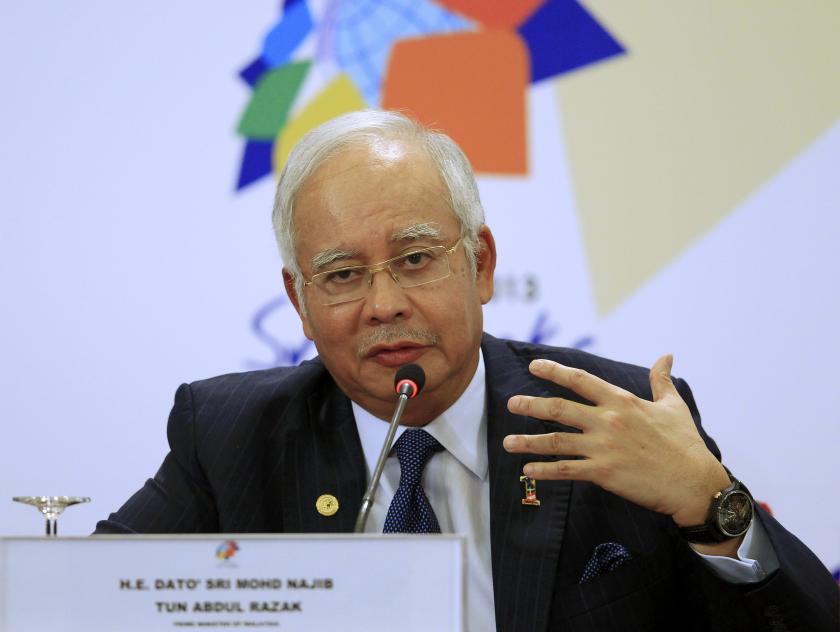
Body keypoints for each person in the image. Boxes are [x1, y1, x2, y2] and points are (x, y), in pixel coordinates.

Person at [96, 110, 838, 630]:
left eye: (415, 259)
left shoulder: (615, 415)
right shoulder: (230, 437)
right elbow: (83, 604)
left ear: (480, 264)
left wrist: (711, 505)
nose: (384, 304)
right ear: (299, 298)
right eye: (344, 274)